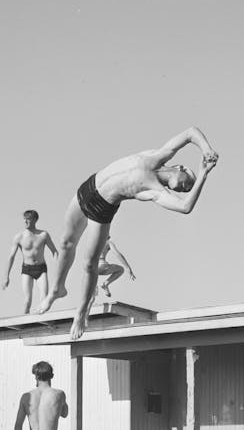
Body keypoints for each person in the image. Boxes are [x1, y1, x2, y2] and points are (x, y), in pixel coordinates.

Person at [36, 127, 219, 339]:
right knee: (66, 243)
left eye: (185, 189)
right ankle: (57, 290)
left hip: (101, 209)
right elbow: (190, 133)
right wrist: (206, 149)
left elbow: (185, 207)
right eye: (188, 182)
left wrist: (203, 175)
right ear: (181, 167)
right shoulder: (158, 155)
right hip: (88, 187)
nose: (184, 188)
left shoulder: (155, 191)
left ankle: (81, 312)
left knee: (89, 264)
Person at [3, 210, 58, 314]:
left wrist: (59, 270)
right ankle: (25, 325)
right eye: (24, 219)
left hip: (41, 269)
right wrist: (6, 276)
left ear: (35, 220)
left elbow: (55, 252)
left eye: (28, 219)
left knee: (44, 300)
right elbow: (11, 257)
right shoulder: (19, 237)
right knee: (27, 301)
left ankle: (41, 324)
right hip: (27, 270)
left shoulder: (43, 235)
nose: (25, 222)